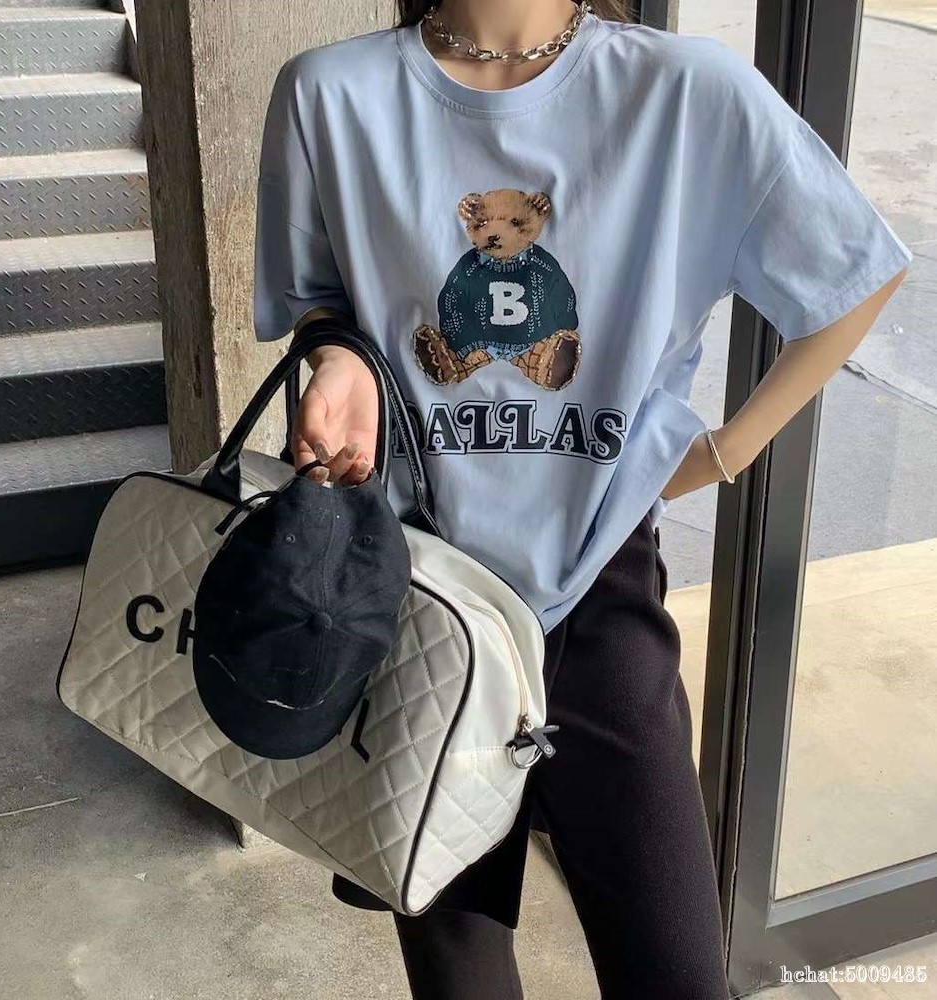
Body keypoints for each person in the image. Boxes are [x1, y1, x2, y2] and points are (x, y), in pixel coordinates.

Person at [252, 2, 913, 997]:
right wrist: (338, 357)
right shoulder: (328, 94)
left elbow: (853, 272)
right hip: (412, 588)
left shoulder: (685, 92)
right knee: (456, 963)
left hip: (600, 589)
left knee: (676, 970)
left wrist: (724, 450)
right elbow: (319, 297)